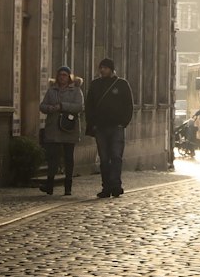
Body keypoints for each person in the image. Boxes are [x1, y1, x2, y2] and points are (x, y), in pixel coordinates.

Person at [85, 58, 134, 199]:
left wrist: (123, 122)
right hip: (100, 127)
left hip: (117, 127)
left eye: (105, 68)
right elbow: (90, 106)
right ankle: (106, 186)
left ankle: (116, 185)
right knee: (104, 158)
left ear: (111, 69)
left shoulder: (122, 84)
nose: (102, 70)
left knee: (116, 157)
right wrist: (92, 123)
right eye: (101, 68)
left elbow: (128, 105)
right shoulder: (95, 85)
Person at [39, 67, 85, 196]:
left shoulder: (76, 91)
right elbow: (42, 106)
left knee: (68, 158)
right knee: (52, 157)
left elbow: (79, 107)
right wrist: (50, 108)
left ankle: (68, 186)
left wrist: (63, 106)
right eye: (60, 75)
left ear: (69, 77)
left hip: (68, 128)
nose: (62, 77)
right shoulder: (52, 90)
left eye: (64, 75)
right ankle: (49, 185)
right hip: (53, 128)